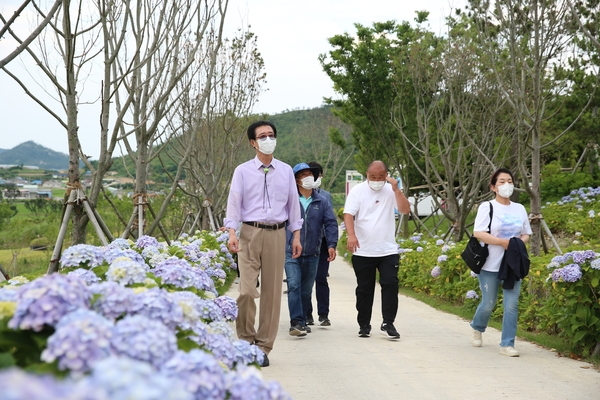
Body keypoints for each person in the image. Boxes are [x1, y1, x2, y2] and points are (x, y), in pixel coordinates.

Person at [224, 120, 303, 367]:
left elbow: (293, 204)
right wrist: (232, 233)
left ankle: (263, 347)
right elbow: (234, 203)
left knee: (271, 293)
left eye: (271, 135)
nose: (268, 139)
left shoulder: (286, 170)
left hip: (277, 234)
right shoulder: (242, 171)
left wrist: (297, 235)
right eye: (262, 136)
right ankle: (245, 340)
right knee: (247, 291)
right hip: (249, 232)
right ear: (253, 142)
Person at [343, 160, 410, 339]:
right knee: (365, 289)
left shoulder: (390, 191)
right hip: (363, 250)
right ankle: (364, 324)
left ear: (386, 175)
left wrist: (396, 189)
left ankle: (388, 322)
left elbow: (405, 210)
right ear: (367, 175)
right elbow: (348, 214)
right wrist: (351, 235)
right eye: (373, 177)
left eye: (381, 177)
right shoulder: (357, 191)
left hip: (387, 249)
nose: (377, 180)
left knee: (390, 284)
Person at [470, 168, 532, 357]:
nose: (507, 185)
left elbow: (526, 233)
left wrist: (516, 245)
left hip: (513, 264)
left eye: (510, 181)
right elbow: (478, 233)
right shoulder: (487, 207)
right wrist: (503, 243)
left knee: (511, 305)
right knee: (488, 303)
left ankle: (507, 344)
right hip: (490, 264)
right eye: (502, 182)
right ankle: (477, 327)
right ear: (494, 187)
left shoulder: (519, 208)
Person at [284, 162, 338, 336]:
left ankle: (303, 319)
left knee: (306, 290)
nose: (307, 177)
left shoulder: (321, 201)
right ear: (296, 180)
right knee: (293, 285)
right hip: (290, 252)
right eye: (302, 174)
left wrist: (331, 244)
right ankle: (297, 322)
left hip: (313, 253)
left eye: (309, 174)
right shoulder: (288, 200)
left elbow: (330, 223)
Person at [305, 161, 335, 326]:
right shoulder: (296, 196)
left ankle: (323, 314)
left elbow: (330, 221)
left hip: (322, 244)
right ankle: (307, 314)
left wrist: (332, 243)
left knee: (321, 278)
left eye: (317, 174)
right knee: (306, 281)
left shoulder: (326, 196)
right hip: (305, 244)